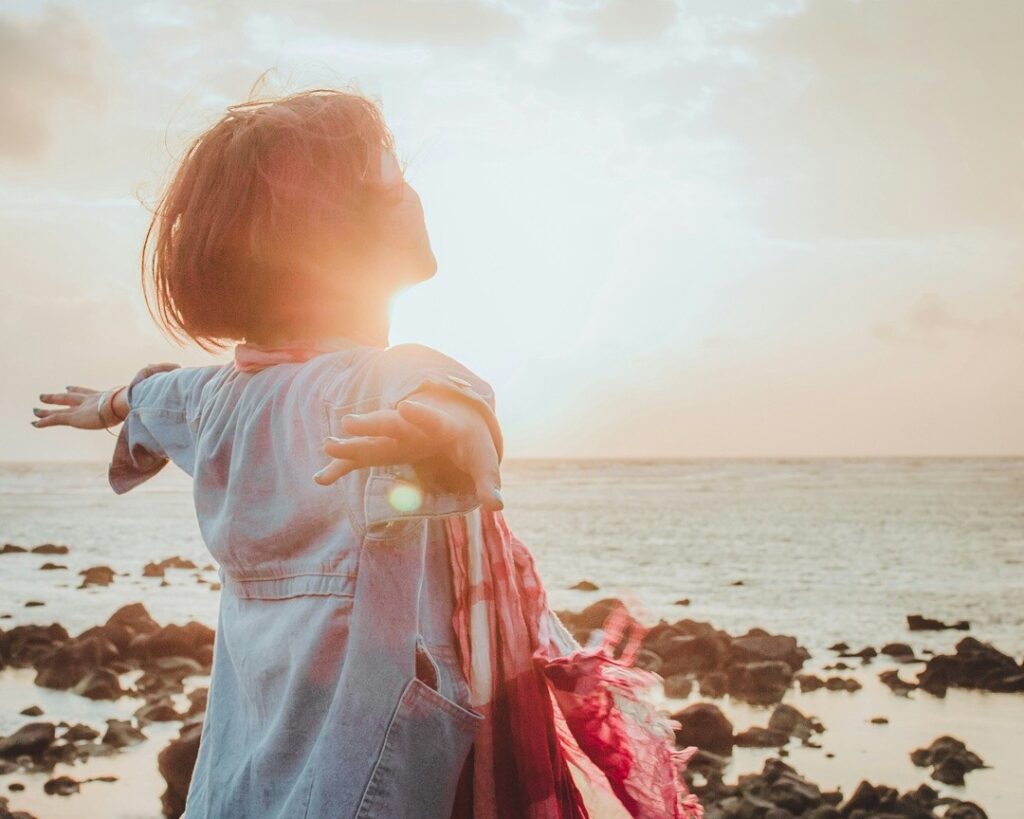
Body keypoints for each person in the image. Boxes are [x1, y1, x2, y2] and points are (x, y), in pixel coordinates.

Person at [33, 88, 702, 819]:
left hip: (249, 777)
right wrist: (443, 431)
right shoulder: (382, 380)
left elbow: (151, 395)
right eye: (388, 175)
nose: (410, 190)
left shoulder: (217, 398)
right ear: (327, 234)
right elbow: (452, 402)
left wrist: (103, 405)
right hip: (378, 779)